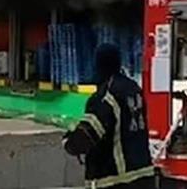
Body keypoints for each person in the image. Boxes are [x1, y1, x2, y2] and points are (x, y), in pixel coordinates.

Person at [63, 43, 155, 188]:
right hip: (143, 176)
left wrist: (69, 141)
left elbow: (86, 136)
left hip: (117, 180)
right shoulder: (134, 88)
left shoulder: (105, 96)